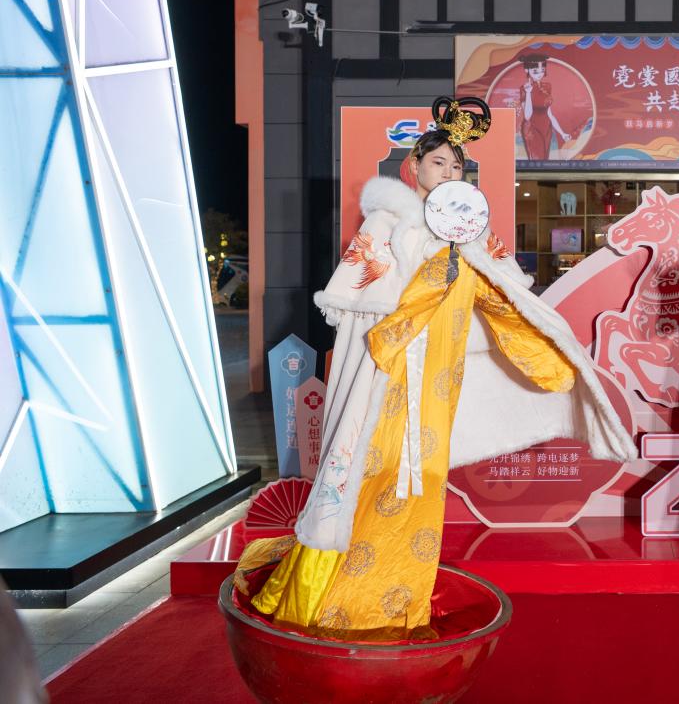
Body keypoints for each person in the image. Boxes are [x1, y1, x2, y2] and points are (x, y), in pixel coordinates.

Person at [234, 97, 636, 641]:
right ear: (414, 167)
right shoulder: (388, 222)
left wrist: (522, 324)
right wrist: (431, 279)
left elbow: (504, 298)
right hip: (390, 373)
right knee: (367, 475)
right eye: (438, 162)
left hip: (438, 380)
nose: (448, 172)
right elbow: (363, 305)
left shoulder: (471, 232)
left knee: (422, 487)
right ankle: (327, 605)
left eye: (457, 165)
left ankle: (399, 607)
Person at [519, 54, 573, 159]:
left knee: (544, 158)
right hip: (532, 129)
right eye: (535, 71)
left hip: (546, 128)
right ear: (527, 70)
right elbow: (527, 116)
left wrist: (562, 134)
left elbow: (550, 114)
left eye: (542, 70)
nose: (540, 74)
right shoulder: (524, 89)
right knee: (536, 159)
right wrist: (528, 93)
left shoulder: (547, 87)